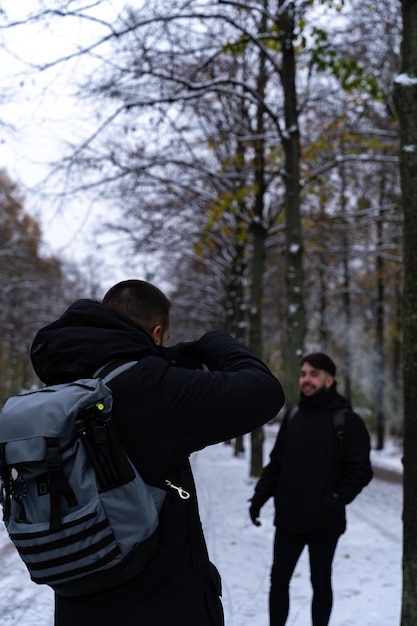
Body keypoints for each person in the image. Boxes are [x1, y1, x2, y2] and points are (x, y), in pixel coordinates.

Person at [29, 279, 285, 626]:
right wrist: (214, 343)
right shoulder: (152, 387)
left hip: (78, 604)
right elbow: (265, 392)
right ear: (157, 333)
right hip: (162, 603)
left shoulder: (63, 385)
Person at [249, 353, 373, 626]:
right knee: (279, 579)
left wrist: (336, 498)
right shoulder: (293, 416)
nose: (306, 379)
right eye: (304, 373)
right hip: (289, 519)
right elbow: (276, 465)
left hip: (325, 522)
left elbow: (361, 470)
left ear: (330, 380)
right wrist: (259, 498)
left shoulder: (346, 420)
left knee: (321, 582)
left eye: (314, 374)